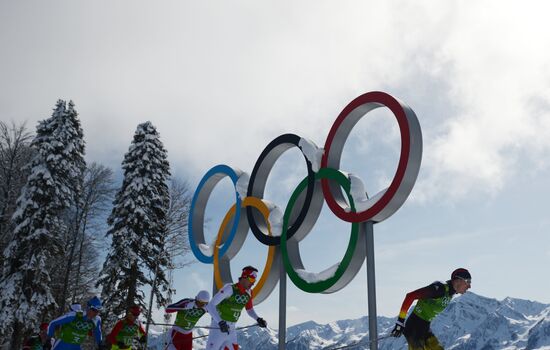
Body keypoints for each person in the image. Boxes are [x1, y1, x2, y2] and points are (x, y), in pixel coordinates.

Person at [390, 268, 472, 349]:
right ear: (458, 280)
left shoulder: (450, 292)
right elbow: (410, 296)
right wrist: (400, 322)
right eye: (468, 281)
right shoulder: (440, 289)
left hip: (425, 329)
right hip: (413, 330)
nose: (469, 286)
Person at [205, 266, 267, 350]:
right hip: (218, 327)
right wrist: (220, 322)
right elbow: (210, 305)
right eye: (252, 280)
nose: (253, 283)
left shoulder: (249, 293)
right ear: (244, 277)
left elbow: (249, 309)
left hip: (231, 329)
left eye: (254, 281)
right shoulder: (230, 288)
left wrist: (258, 319)